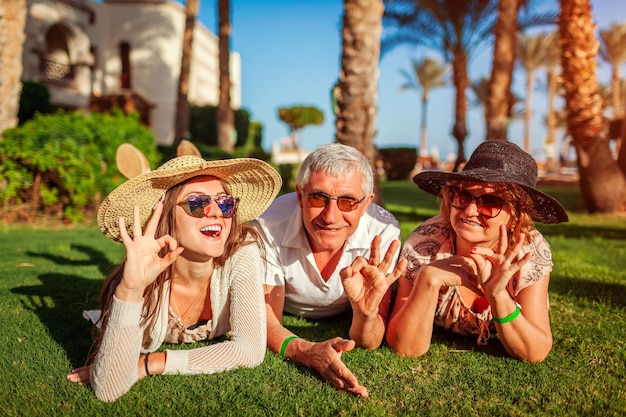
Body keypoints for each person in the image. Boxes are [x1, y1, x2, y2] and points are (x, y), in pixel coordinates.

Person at [66, 154, 282, 402]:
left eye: (225, 203)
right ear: (167, 217)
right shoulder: (144, 274)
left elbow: (250, 350)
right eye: (197, 203)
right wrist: (132, 288)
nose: (215, 213)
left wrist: (151, 363)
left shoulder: (242, 250)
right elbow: (107, 390)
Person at [385, 140, 569, 362]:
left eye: (490, 202)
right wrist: (428, 278)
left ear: (516, 216)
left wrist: (498, 295)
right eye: (463, 196)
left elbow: (534, 352)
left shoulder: (530, 254)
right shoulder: (424, 245)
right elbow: (405, 347)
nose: (470, 211)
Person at [251, 143, 405, 397]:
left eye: (347, 202)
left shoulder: (383, 232)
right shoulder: (269, 225)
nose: (330, 216)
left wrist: (365, 313)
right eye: (318, 198)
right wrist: (306, 351)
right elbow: (268, 322)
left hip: (347, 313)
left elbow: (370, 342)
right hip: (290, 308)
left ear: (366, 204)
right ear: (300, 197)